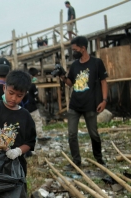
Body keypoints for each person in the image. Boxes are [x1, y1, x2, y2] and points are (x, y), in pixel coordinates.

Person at [58, 36, 108, 167]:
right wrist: (62, 76)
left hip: (91, 105)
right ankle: (76, 161)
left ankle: (99, 158)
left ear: (83, 48)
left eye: (75, 49)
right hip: (75, 105)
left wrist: (104, 100)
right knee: (72, 134)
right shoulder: (74, 65)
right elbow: (70, 83)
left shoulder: (97, 63)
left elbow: (104, 81)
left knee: (94, 134)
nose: (73, 52)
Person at [0, 70, 36, 176]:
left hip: (16, 166)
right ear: (4, 88)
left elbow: (30, 142)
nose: (13, 98)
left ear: (24, 94)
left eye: (19, 96)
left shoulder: (25, 116)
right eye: (11, 93)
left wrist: (18, 151)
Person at [24, 68, 48, 140]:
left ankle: (26, 137)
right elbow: (36, 96)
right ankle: (40, 136)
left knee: (26, 123)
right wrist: (41, 102)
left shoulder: (22, 85)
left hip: (23, 107)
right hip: (32, 107)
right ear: (33, 75)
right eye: (36, 75)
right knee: (37, 121)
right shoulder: (32, 85)